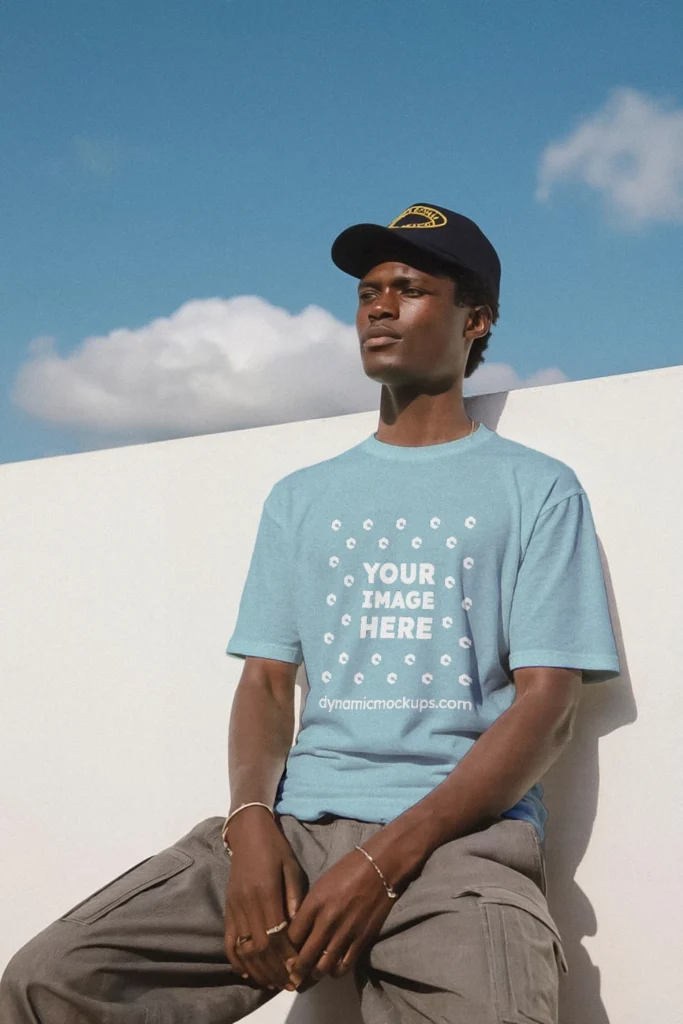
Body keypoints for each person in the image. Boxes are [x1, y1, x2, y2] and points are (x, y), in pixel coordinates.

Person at [0, 202, 621, 1024]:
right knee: (51, 978)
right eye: (367, 291)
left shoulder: (536, 487)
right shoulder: (301, 499)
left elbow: (547, 705)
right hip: (296, 829)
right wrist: (250, 828)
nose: (379, 306)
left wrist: (382, 862)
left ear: (476, 320)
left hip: (456, 844)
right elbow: (265, 684)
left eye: (408, 288)